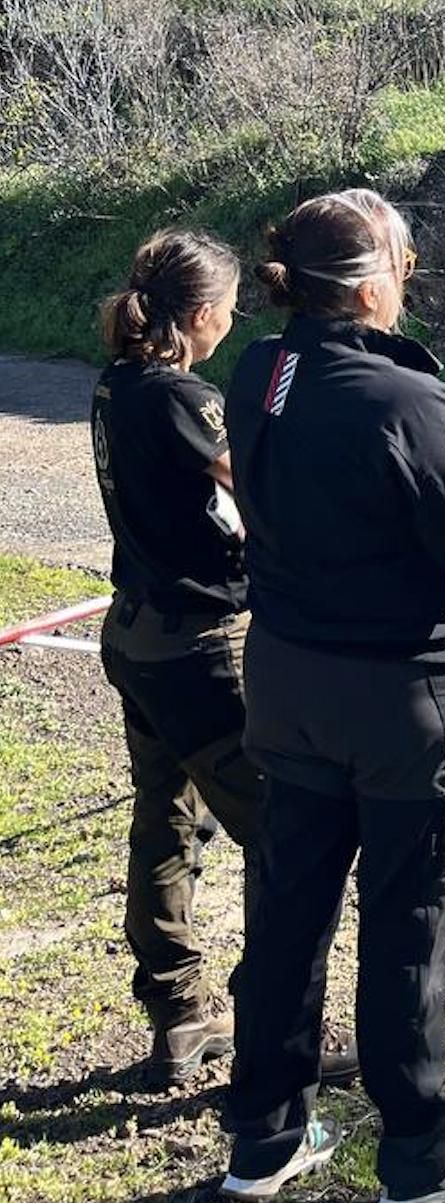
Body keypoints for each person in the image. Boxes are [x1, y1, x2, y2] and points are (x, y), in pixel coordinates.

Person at [218, 188, 445, 1203]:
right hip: (400, 696)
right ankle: (420, 1151)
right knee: (406, 923)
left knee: (287, 908)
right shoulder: (405, 403)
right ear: (367, 286)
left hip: (286, 681)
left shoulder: (260, 371)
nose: (412, 274)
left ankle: (263, 1132)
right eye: (403, 258)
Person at [92, 231, 252, 1086]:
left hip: (138, 630)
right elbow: (249, 484)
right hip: (196, 642)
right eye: (228, 307)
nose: (234, 319)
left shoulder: (117, 384)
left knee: (165, 819)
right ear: (200, 315)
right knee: (279, 834)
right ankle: (275, 1020)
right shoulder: (184, 396)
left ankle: (179, 1008)